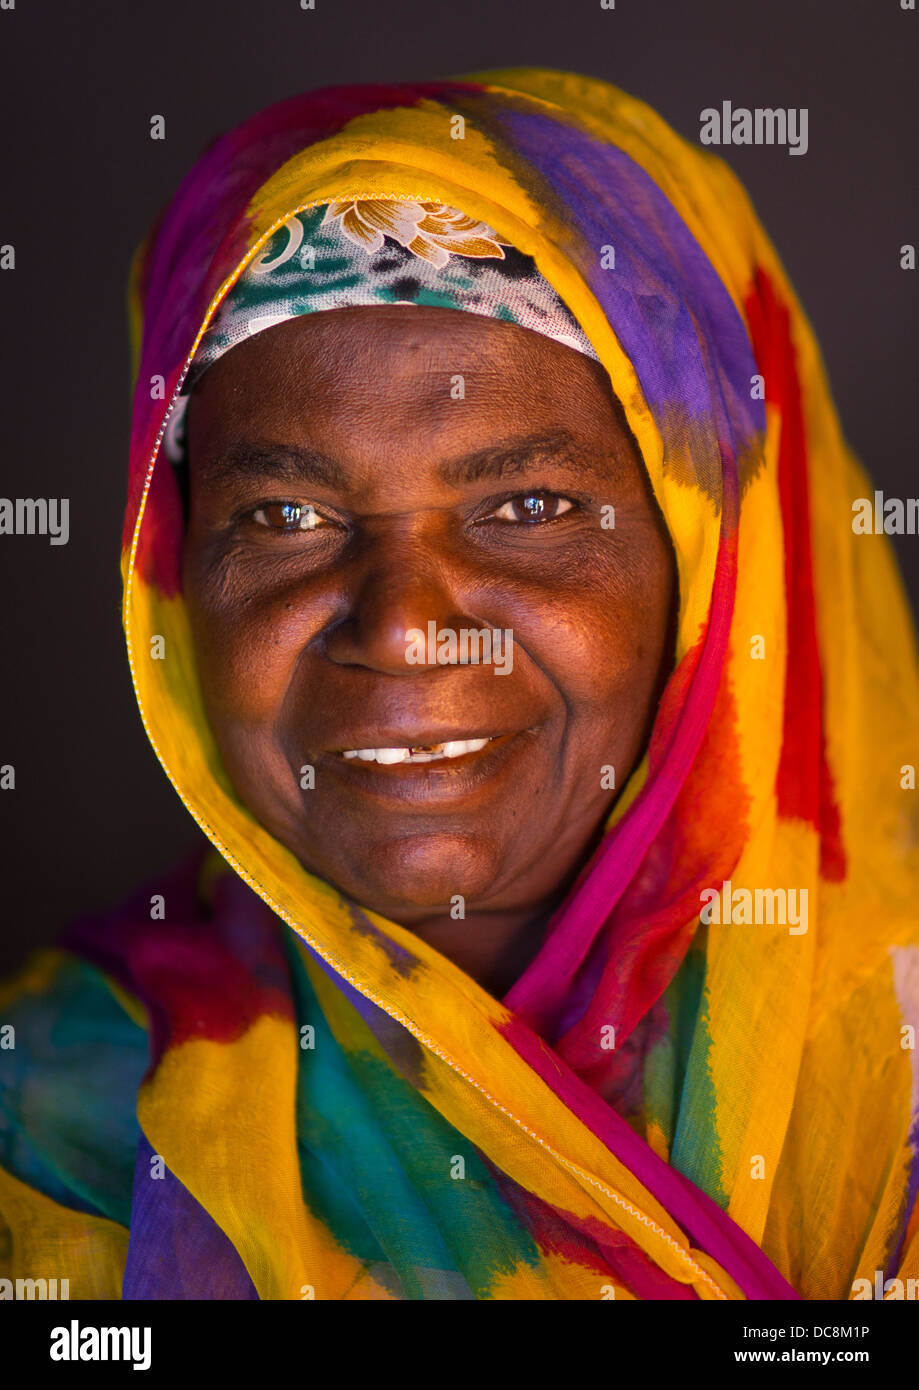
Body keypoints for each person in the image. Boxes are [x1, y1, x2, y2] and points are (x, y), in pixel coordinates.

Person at [1, 67, 917, 1302]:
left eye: (526, 507)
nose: (405, 626)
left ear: (716, 565)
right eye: (282, 514)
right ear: (170, 570)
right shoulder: (52, 1127)